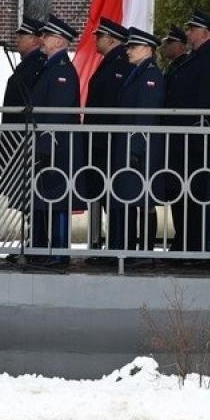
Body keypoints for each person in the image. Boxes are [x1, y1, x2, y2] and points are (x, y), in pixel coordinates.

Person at [164, 10, 210, 256]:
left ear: (205, 32)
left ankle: (201, 247)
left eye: (192, 29)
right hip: (184, 140)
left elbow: (208, 100)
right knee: (183, 195)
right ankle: (185, 243)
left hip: (198, 140)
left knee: (199, 196)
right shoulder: (195, 58)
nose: (188, 32)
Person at [26, 14, 81, 268]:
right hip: (48, 146)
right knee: (45, 197)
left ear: (59, 41)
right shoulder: (50, 66)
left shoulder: (61, 71)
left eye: (46, 36)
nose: (42, 40)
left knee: (58, 200)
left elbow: (55, 113)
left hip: (57, 147)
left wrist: (47, 146)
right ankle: (45, 249)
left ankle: (59, 252)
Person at [108, 27, 165, 257]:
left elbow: (145, 115)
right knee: (132, 199)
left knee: (144, 201)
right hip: (133, 146)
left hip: (142, 149)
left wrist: (136, 149)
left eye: (133, 47)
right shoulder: (139, 72)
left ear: (148, 50)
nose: (128, 51)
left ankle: (143, 251)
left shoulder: (150, 76)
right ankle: (131, 249)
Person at [83, 19, 132, 257]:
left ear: (111, 39)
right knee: (103, 195)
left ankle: (117, 247)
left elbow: (112, 104)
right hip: (101, 141)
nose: (96, 40)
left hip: (110, 142)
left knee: (115, 198)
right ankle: (109, 245)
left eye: (99, 36)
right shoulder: (110, 63)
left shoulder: (120, 65)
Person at [0, 17, 46, 239]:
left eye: (22, 36)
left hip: (25, 138)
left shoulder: (37, 64)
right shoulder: (28, 63)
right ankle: (32, 241)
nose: (17, 40)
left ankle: (37, 242)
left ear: (36, 39)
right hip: (16, 136)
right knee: (24, 194)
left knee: (31, 194)